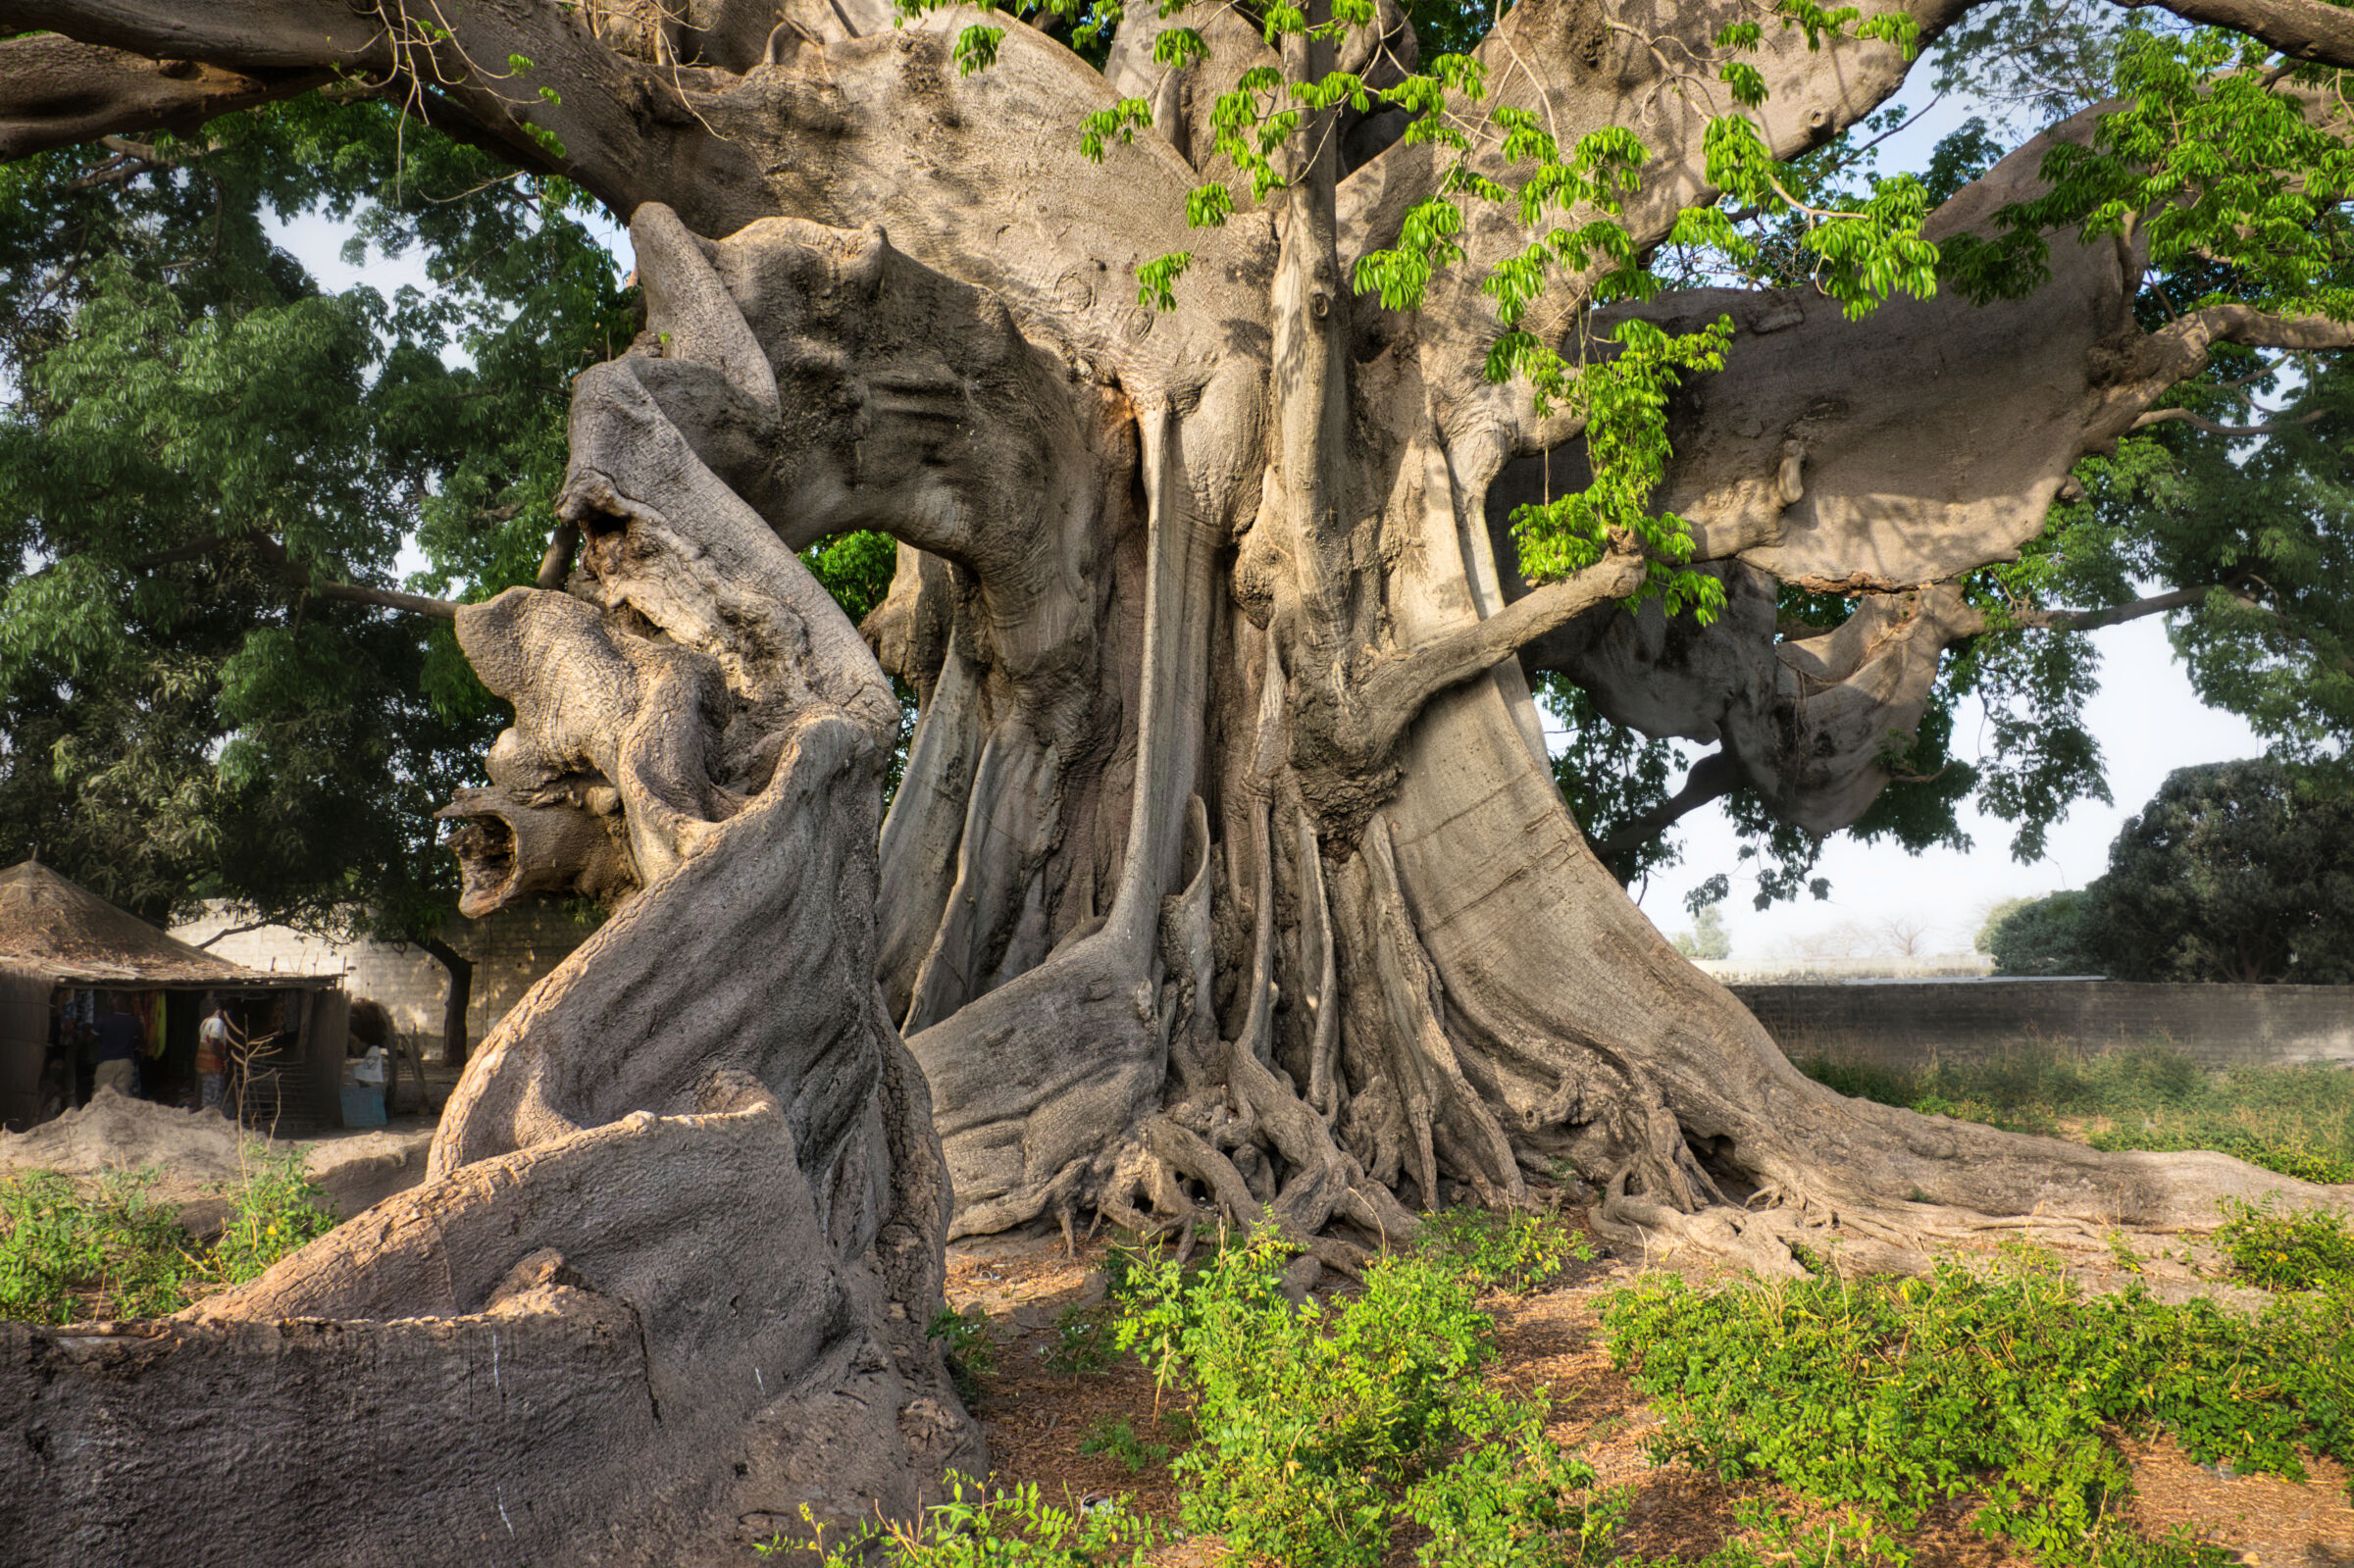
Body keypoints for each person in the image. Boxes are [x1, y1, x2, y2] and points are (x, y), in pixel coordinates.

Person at [89, 994, 143, 1098]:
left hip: (107, 1061)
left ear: (113, 1006)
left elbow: (91, 1039)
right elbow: (140, 1041)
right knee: (123, 1095)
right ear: (126, 1006)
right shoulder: (134, 1022)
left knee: (101, 1094)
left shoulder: (103, 1020)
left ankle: (101, 1114)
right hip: (126, 1062)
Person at [195, 999, 238, 1116]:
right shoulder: (218, 1023)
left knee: (207, 1096)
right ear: (223, 1011)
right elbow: (213, 1044)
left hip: (203, 1064)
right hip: (212, 1066)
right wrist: (225, 1059)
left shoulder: (205, 1021)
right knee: (213, 1100)